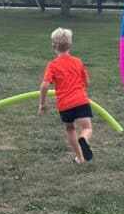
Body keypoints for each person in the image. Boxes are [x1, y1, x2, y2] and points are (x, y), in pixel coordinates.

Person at [38, 27, 94, 163]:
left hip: (65, 104)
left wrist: (42, 104)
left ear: (54, 46)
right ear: (70, 45)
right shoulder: (77, 62)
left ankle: (80, 157)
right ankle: (84, 139)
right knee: (86, 128)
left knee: (70, 128)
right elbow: (87, 82)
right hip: (80, 100)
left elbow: (45, 85)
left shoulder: (52, 65)